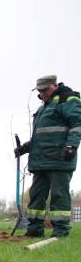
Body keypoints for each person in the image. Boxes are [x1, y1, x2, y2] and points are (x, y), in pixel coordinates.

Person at [14, 75, 80, 238]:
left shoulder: (67, 100)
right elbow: (42, 137)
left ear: (55, 85)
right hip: (40, 161)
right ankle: (35, 231)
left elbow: (77, 124)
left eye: (45, 89)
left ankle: (60, 231)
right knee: (36, 197)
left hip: (60, 159)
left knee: (59, 195)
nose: (42, 93)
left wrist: (71, 146)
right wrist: (25, 148)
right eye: (40, 90)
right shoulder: (44, 107)